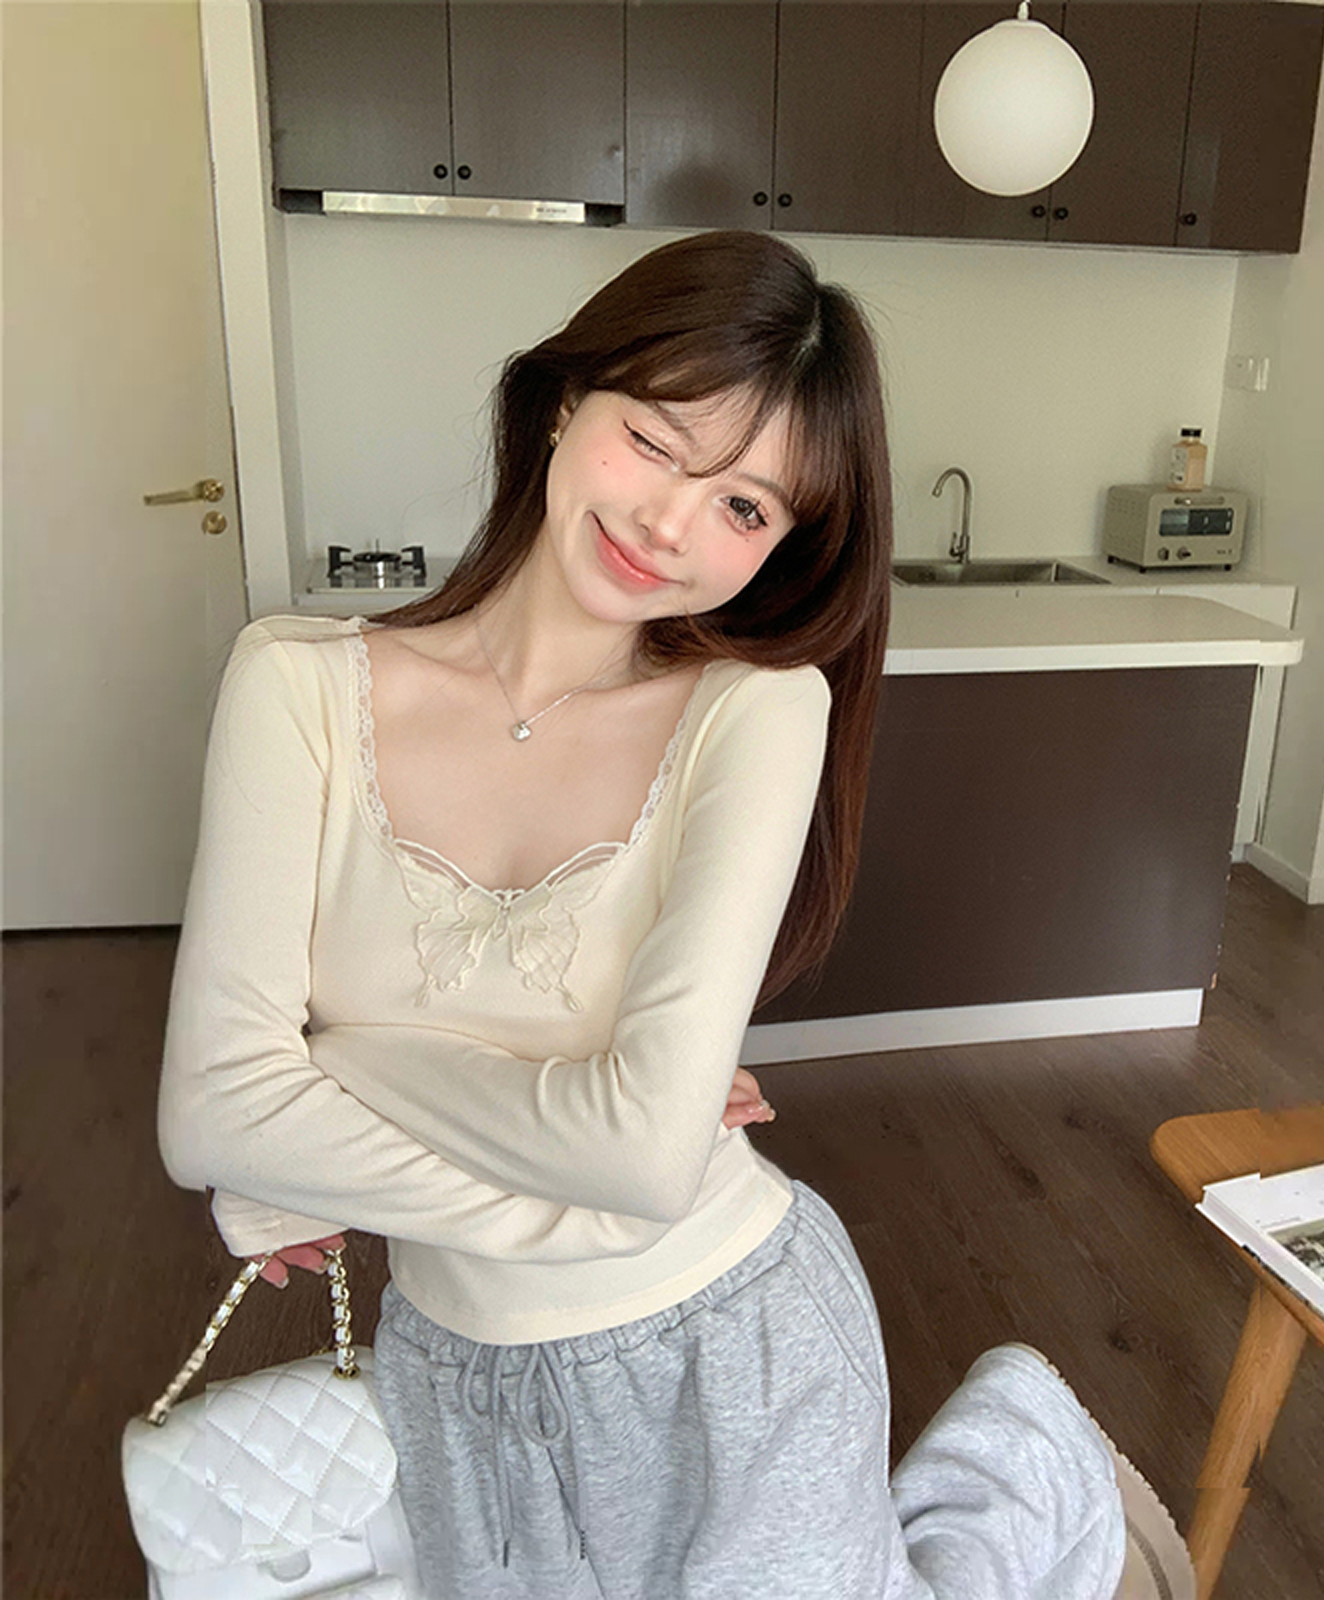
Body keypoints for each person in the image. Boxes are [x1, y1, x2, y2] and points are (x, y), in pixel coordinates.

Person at [158, 230, 1125, 1600]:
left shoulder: (760, 713)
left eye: (746, 507)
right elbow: (210, 1117)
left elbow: (650, 1166)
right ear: (567, 402)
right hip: (451, 1375)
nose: (671, 524)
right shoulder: (295, 687)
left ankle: (1027, 1471)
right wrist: (598, 1166)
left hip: (735, 1346)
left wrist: (325, 1083)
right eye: (656, 444)